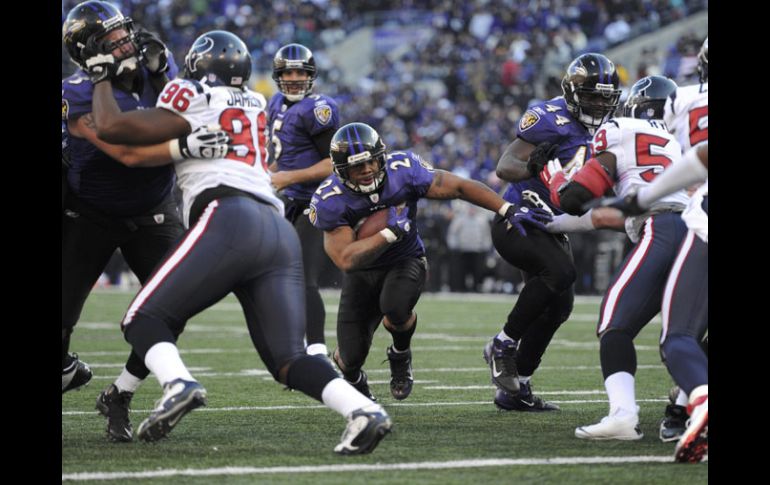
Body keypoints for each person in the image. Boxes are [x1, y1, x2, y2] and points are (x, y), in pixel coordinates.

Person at [87, 30, 392, 455]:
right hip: (276, 227)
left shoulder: (190, 90)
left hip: (228, 217)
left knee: (141, 318)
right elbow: (184, 117)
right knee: (288, 361)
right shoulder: (253, 103)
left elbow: (113, 127)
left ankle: (177, 384)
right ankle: (361, 410)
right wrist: (161, 81)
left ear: (197, 66)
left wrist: (101, 76)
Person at [61, 0, 226, 443]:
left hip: (152, 208)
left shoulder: (158, 61)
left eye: (122, 31)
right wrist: (186, 148)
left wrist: (162, 77)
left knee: (173, 306)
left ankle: (121, 393)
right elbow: (128, 151)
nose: (123, 40)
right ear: (86, 51)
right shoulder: (76, 92)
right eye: (109, 37)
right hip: (88, 211)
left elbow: (187, 110)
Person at [309, 122, 551, 402]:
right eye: (357, 167)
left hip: (405, 259)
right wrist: (389, 233)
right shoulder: (331, 199)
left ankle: (400, 352)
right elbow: (345, 259)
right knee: (351, 357)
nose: (366, 171)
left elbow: (458, 187)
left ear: (381, 157)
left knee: (395, 306)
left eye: (371, 162)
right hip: (362, 272)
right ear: (341, 170)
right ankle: (354, 380)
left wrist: (506, 208)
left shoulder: (403, 171)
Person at [534, 75, 690, 440]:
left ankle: (623, 415)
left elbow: (577, 197)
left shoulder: (620, 128)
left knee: (614, 321)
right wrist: (557, 224)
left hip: (664, 229)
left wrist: (553, 178)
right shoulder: (681, 142)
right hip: (697, 233)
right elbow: (613, 215)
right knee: (684, 335)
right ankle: (683, 411)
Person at [484, 53, 621, 412]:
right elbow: (505, 166)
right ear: (573, 92)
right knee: (561, 273)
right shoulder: (550, 118)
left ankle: (517, 389)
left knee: (560, 305)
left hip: (555, 226)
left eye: (605, 98)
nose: (599, 104)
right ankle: (502, 344)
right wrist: (533, 164)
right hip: (521, 218)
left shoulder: (614, 127)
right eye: (592, 96)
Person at [597, 142, 708, 461]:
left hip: (688, 226)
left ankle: (699, 400)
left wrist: (643, 197)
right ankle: (681, 406)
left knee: (678, 337)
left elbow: (701, 155)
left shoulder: (626, 134)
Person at [268, 43, 340, 360]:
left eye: (300, 72)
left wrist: (286, 178)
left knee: (303, 275)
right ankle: (293, 345)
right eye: (288, 72)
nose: (294, 78)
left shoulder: (318, 108)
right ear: (278, 75)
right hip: (287, 200)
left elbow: (334, 163)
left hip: (315, 200)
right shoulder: (274, 103)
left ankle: (317, 348)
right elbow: (280, 157)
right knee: (277, 273)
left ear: (311, 76)